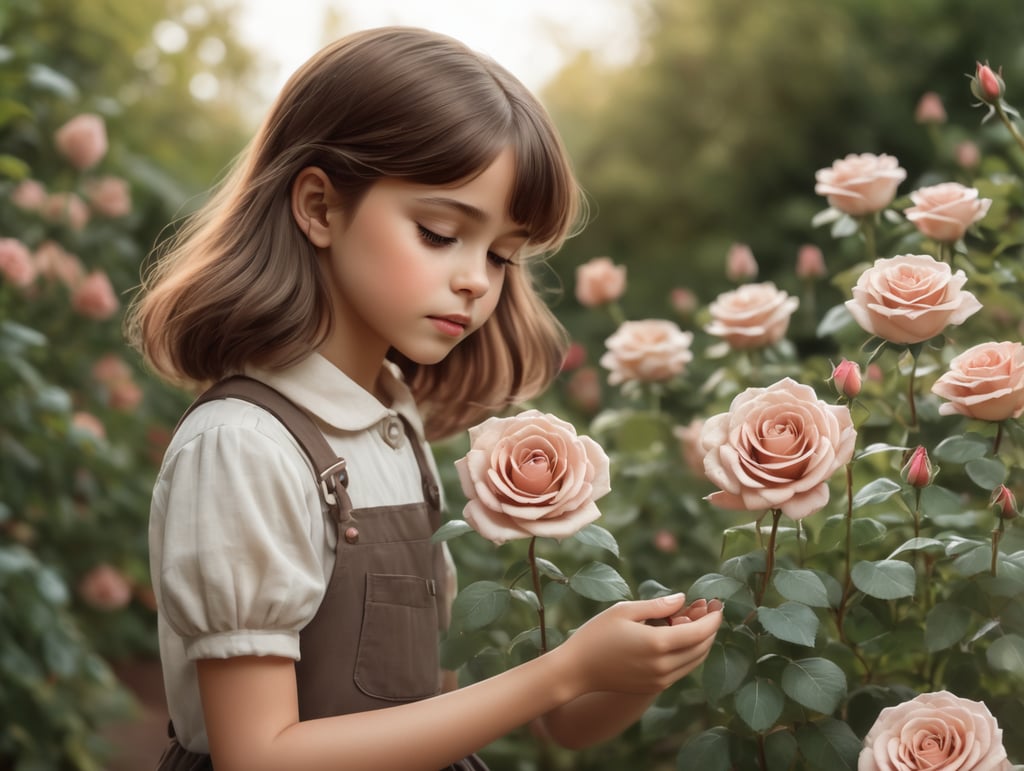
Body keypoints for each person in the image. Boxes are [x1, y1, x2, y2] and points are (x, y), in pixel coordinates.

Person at [127, 26, 723, 771]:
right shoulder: (245, 444)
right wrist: (562, 671)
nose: (478, 278)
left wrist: (627, 668)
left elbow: (452, 710)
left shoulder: (392, 424)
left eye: (502, 254)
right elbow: (261, 754)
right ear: (318, 207)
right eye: (441, 232)